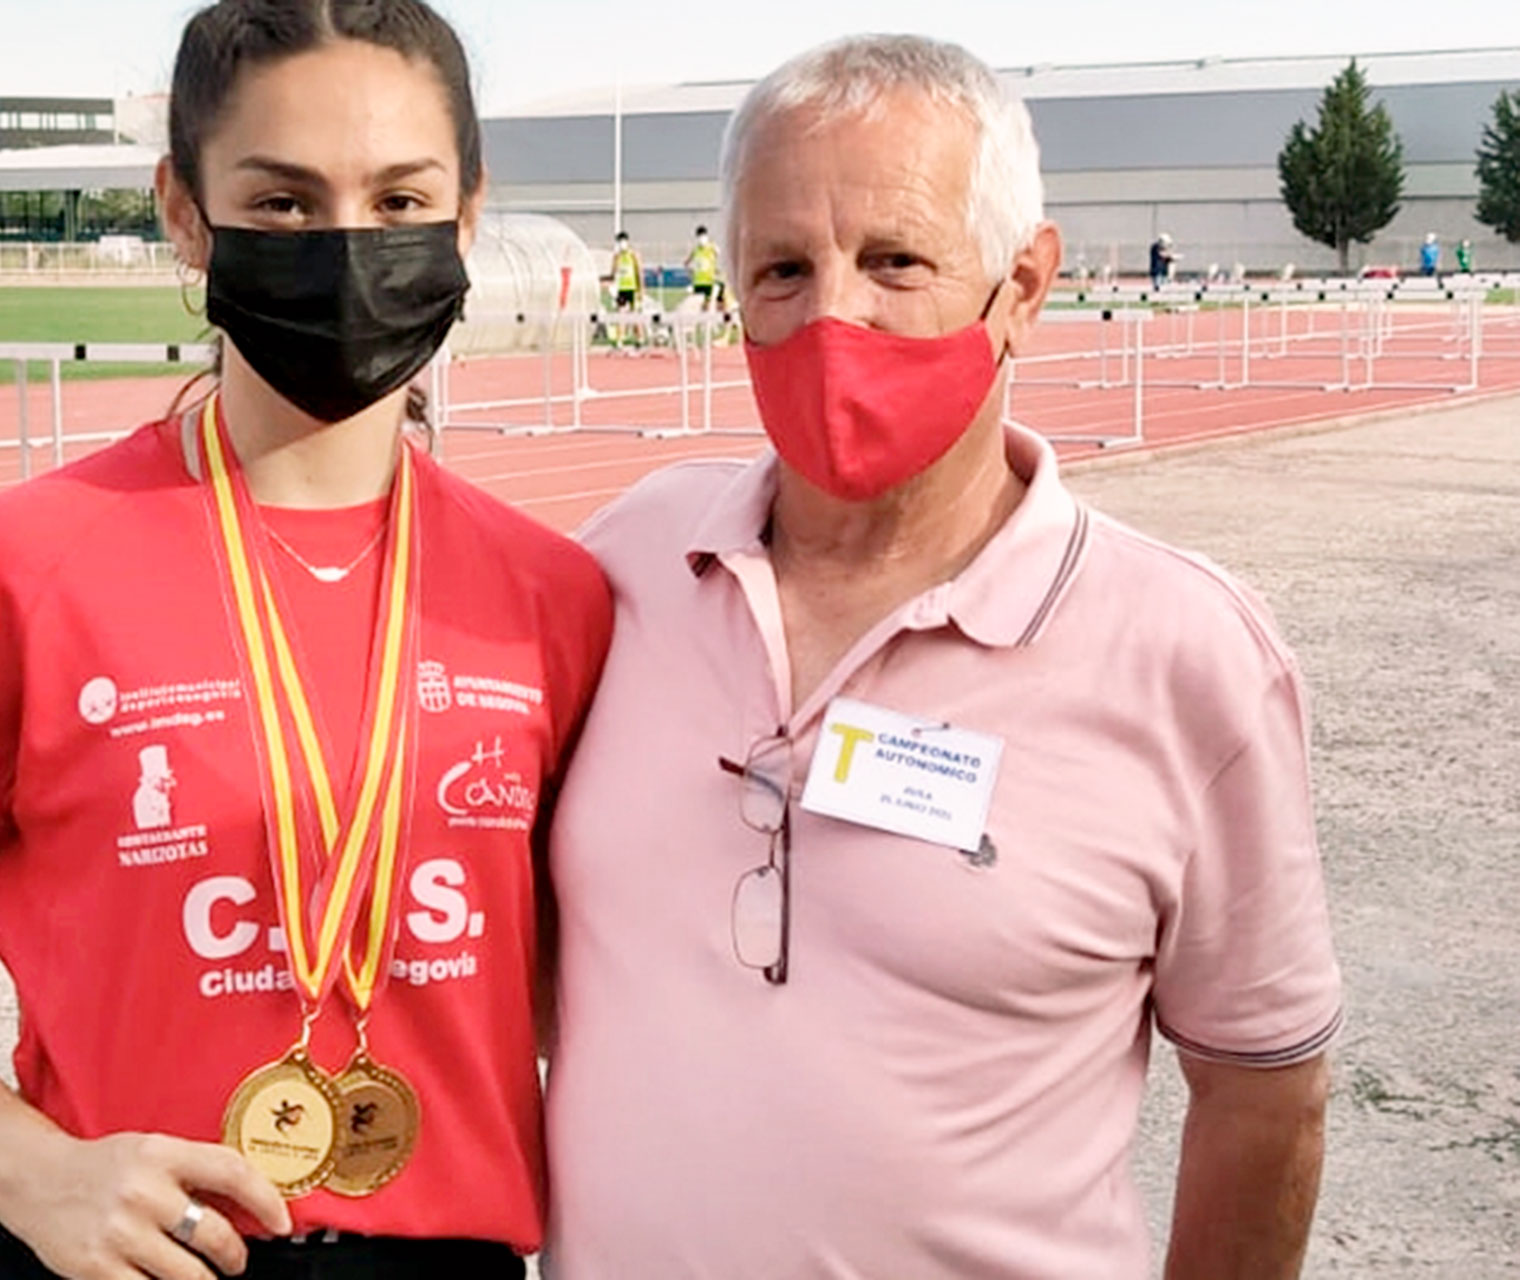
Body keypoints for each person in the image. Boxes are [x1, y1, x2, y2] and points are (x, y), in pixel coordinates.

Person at [0, 4, 612, 1280]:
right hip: (111, 1252)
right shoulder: (21, 562)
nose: (344, 246)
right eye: (280, 203)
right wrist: (25, 1160)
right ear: (182, 207)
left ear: (468, 211)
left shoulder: (554, 595)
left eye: (398, 202)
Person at [544, 34, 1341, 1280]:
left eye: (895, 262)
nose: (832, 318)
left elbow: (1263, 1091)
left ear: (1022, 287)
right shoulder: (623, 563)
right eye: (783, 268)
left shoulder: (1187, 658)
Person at [608, 230, 642, 349]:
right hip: (622, 289)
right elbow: (613, 273)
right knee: (621, 314)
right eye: (619, 242)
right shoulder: (617, 257)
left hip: (632, 289)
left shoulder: (633, 255)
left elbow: (639, 272)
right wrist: (611, 286)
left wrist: (641, 289)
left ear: (627, 242)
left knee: (635, 315)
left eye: (623, 241)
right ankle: (620, 339)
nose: (622, 244)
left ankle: (639, 338)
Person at [684, 224, 721, 310]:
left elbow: (721, 257)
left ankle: (708, 322)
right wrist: (690, 272)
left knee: (707, 305)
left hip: (709, 281)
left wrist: (717, 270)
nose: (701, 238)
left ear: (706, 236)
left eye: (703, 235)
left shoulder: (713, 247)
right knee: (696, 307)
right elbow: (686, 263)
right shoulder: (696, 249)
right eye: (699, 236)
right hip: (698, 282)